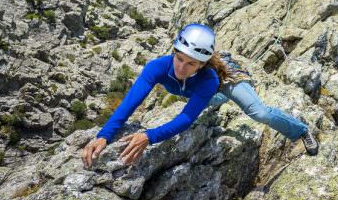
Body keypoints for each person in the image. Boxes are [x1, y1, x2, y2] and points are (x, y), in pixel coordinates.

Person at [81, 23, 318, 167]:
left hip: (227, 81)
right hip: (200, 93)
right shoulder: (157, 67)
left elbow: (186, 119)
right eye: (179, 58)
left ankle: (301, 130)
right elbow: (130, 103)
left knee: (259, 112)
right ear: (173, 52)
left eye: (191, 63)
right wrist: (104, 135)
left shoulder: (209, 78)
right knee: (212, 101)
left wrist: (149, 136)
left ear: (202, 65)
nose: (181, 67)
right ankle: (218, 100)